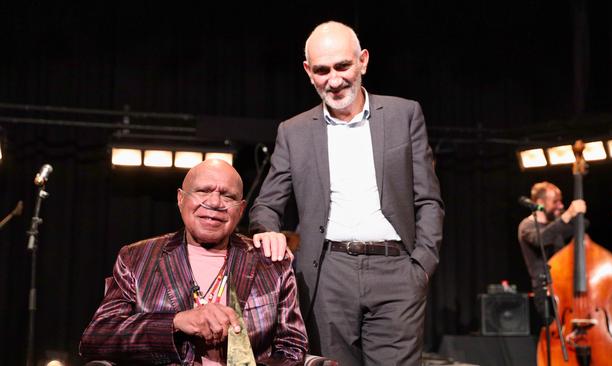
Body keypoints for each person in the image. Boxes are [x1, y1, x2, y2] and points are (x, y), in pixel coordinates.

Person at [248, 21, 444, 365]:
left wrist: (422, 265)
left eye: (343, 66)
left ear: (363, 61)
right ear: (309, 72)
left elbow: (428, 199)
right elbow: (265, 204)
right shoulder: (293, 131)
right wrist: (266, 230)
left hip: (397, 271)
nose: (334, 80)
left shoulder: (404, 114)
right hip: (326, 274)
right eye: (322, 70)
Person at [79, 159, 308, 365]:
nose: (215, 202)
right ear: (181, 199)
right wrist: (176, 322)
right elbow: (97, 337)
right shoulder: (137, 258)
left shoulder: (271, 263)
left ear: (241, 209)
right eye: (203, 191)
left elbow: (293, 350)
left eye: (228, 195)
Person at [517, 181, 586, 324]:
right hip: (546, 293)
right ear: (541, 202)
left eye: (561, 202)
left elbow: (584, 224)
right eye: (555, 202)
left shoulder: (555, 224)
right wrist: (566, 215)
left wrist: (575, 215)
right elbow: (541, 239)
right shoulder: (527, 226)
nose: (560, 206)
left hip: (566, 287)